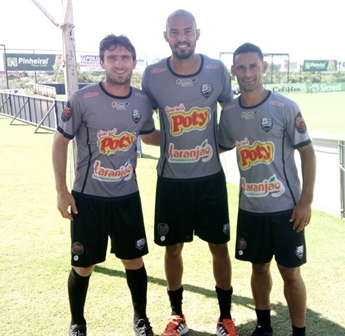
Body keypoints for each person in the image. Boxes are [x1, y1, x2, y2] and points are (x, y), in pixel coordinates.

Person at [52, 34, 160, 336]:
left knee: (133, 260)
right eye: (112, 57)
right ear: (102, 62)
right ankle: (78, 323)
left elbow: (150, 135)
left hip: (127, 196)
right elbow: (60, 141)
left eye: (125, 57)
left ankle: (140, 319)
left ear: (134, 63)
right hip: (88, 198)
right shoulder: (82, 99)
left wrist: (187, 138)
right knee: (84, 265)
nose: (119, 63)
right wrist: (62, 191)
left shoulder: (142, 100)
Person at [141, 9, 237, 336]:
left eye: (187, 31)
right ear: (165, 36)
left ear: (198, 33)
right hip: (171, 180)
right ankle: (176, 315)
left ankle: (225, 317)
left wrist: (218, 144)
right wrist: (169, 141)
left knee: (219, 247)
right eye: (175, 32)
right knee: (173, 248)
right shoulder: (152, 74)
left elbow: (234, 114)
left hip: (210, 179)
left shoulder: (216, 70)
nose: (182, 38)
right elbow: (143, 127)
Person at [218, 43, 317, 336]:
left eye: (253, 66)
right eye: (241, 67)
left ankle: (299, 331)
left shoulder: (285, 107)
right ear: (233, 71)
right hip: (250, 210)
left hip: (286, 210)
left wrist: (305, 202)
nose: (247, 73)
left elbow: (308, 153)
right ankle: (263, 326)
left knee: (290, 273)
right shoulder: (230, 112)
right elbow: (220, 144)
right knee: (258, 269)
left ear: (263, 67)